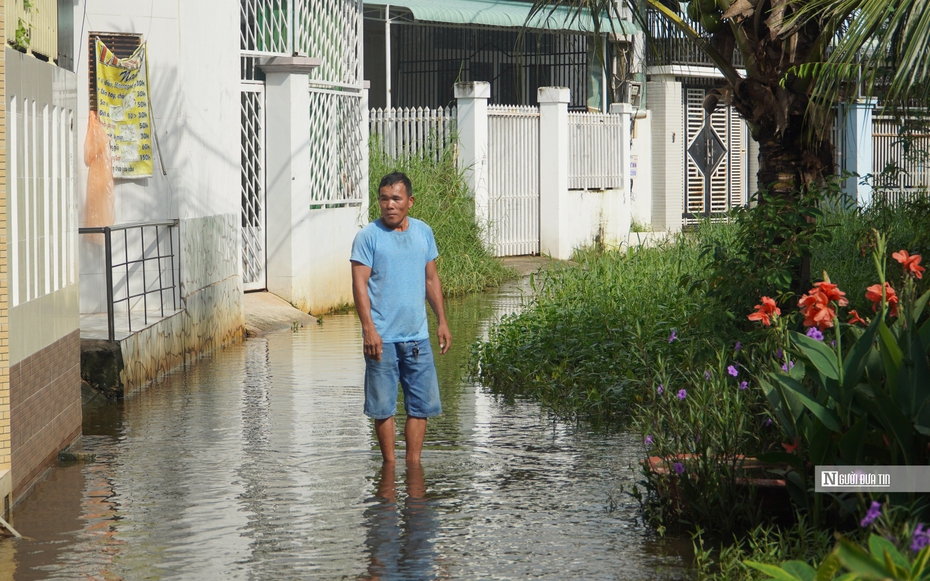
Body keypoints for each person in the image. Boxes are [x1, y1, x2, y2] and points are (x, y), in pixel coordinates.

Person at [350, 172, 451, 465]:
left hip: (417, 337)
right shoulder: (368, 237)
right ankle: (390, 467)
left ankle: (413, 465)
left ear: (410, 201)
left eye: (396, 198)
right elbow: (359, 286)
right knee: (383, 408)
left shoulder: (423, 233)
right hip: (382, 339)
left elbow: (431, 280)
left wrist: (442, 321)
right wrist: (369, 329)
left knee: (421, 406)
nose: (389, 205)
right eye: (384, 199)